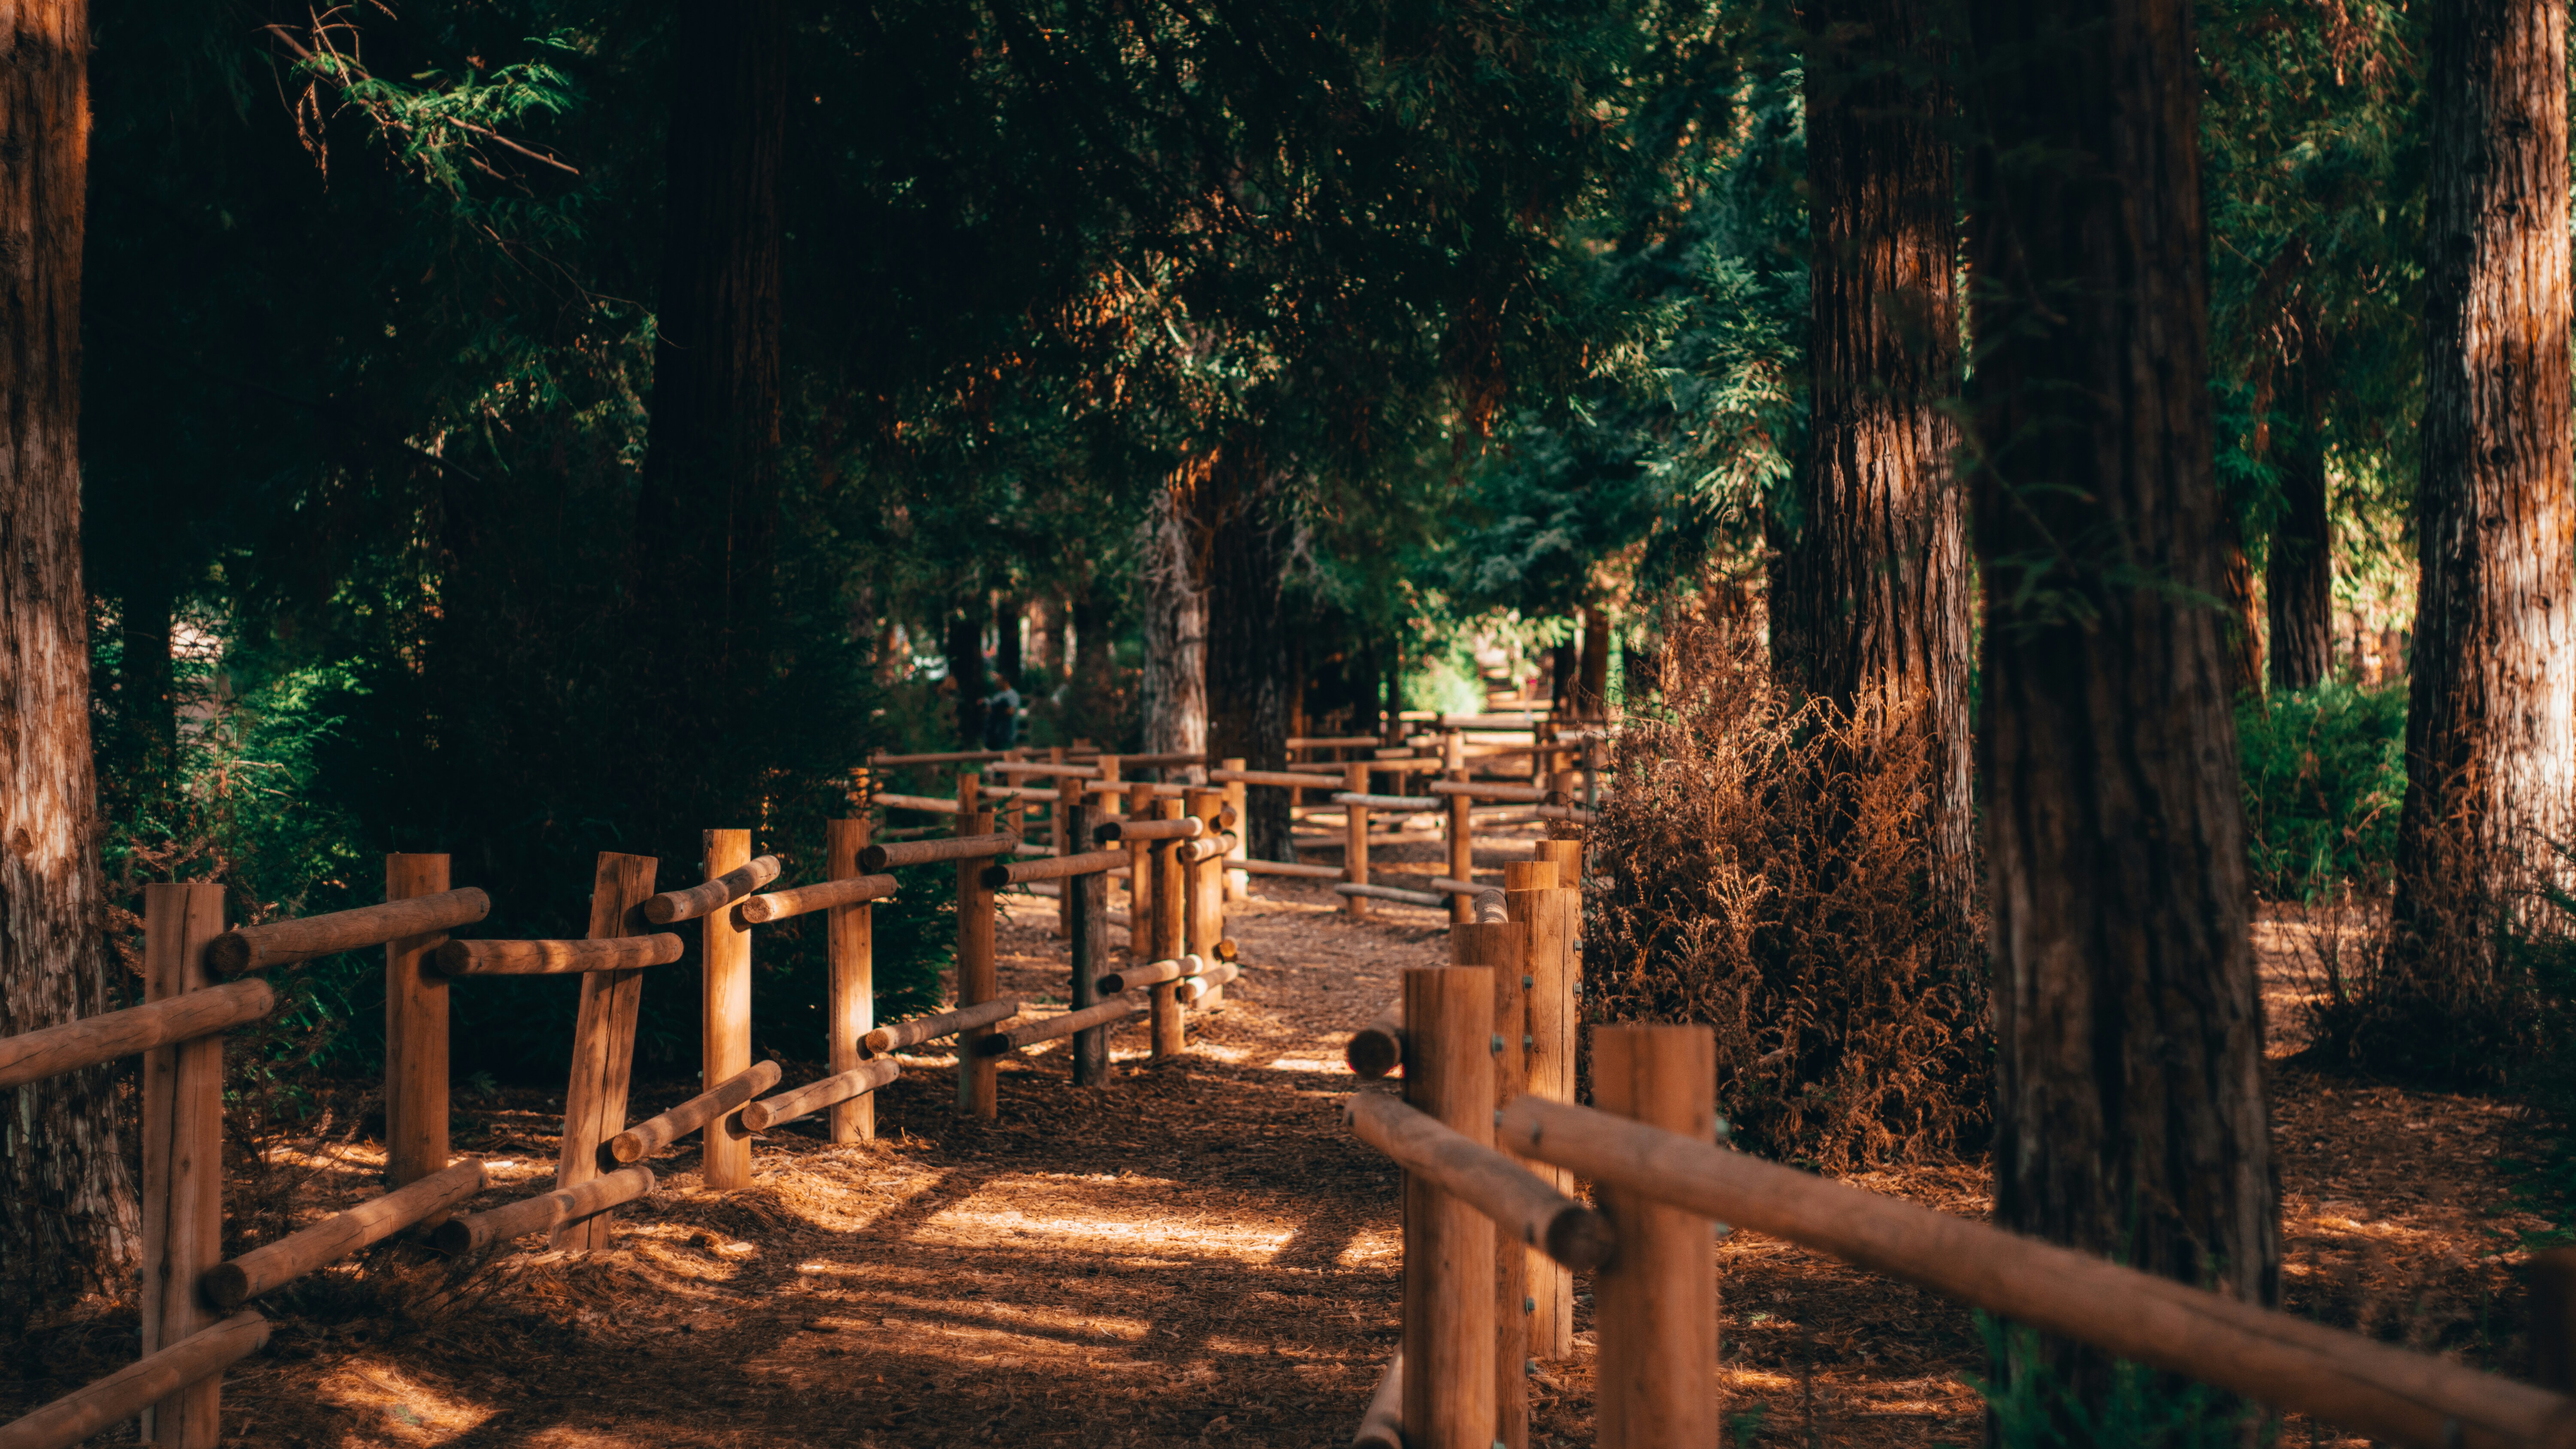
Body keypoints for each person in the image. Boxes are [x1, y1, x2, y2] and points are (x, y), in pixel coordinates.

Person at [982, 674, 1022, 750]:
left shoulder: (1012, 695)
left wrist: (997, 711)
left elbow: (1011, 711)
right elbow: (990, 710)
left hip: (1006, 734)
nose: (996, 683)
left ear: (1005, 682)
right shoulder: (997, 695)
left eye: (998, 681)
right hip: (994, 734)